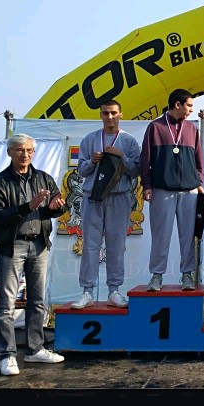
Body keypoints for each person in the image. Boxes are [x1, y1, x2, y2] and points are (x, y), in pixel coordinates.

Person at [0, 133, 66, 376]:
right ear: (9, 152)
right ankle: (7, 355)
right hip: (13, 247)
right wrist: (28, 206)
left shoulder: (44, 178)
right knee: (7, 304)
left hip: (39, 244)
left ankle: (35, 349)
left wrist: (56, 208)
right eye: (20, 150)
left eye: (29, 150)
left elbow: (54, 208)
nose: (25, 154)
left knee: (37, 301)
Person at [71, 100, 141, 309]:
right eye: (105, 113)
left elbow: (135, 171)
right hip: (93, 197)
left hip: (119, 197)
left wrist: (122, 157)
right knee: (90, 245)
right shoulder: (90, 139)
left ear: (121, 114)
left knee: (116, 246)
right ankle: (87, 292)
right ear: (100, 115)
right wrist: (92, 161)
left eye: (113, 113)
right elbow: (81, 171)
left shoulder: (129, 141)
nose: (109, 117)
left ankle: (114, 290)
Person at [140, 89, 204, 292]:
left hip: (189, 191)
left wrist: (199, 182)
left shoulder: (192, 129)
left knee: (188, 235)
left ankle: (187, 274)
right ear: (178, 104)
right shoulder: (155, 127)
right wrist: (147, 185)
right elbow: (145, 159)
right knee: (161, 235)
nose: (191, 110)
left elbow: (198, 159)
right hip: (162, 189)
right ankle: (156, 275)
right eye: (189, 106)